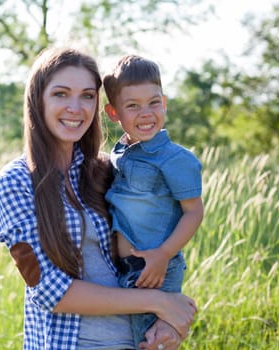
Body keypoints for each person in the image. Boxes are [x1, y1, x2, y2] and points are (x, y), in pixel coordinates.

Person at [0, 47, 197, 350]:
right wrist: (160, 302)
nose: (76, 107)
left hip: (138, 341)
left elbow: (154, 244)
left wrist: (165, 320)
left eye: (87, 96)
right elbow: (48, 290)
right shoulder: (15, 183)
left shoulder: (107, 170)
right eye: (61, 94)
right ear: (38, 100)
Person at [102, 54, 204, 348]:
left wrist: (163, 254)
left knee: (150, 342)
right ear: (113, 112)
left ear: (165, 102)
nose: (146, 113)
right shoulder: (120, 152)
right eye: (132, 106)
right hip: (126, 267)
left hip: (155, 267)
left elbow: (194, 212)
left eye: (154, 102)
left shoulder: (175, 159)